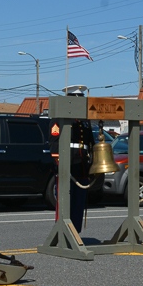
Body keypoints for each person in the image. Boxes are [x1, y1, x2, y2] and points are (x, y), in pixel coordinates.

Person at [50, 85, 95, 233]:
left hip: (82, 166)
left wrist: (93, 162)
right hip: (67, 163)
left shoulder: (84, 120)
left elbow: (90, 143)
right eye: (77, 101)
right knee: (65, 202)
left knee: (79, 202)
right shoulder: (59, 118)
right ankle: (62, 232)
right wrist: (59, 162)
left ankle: (75, 232)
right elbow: (54, 142)